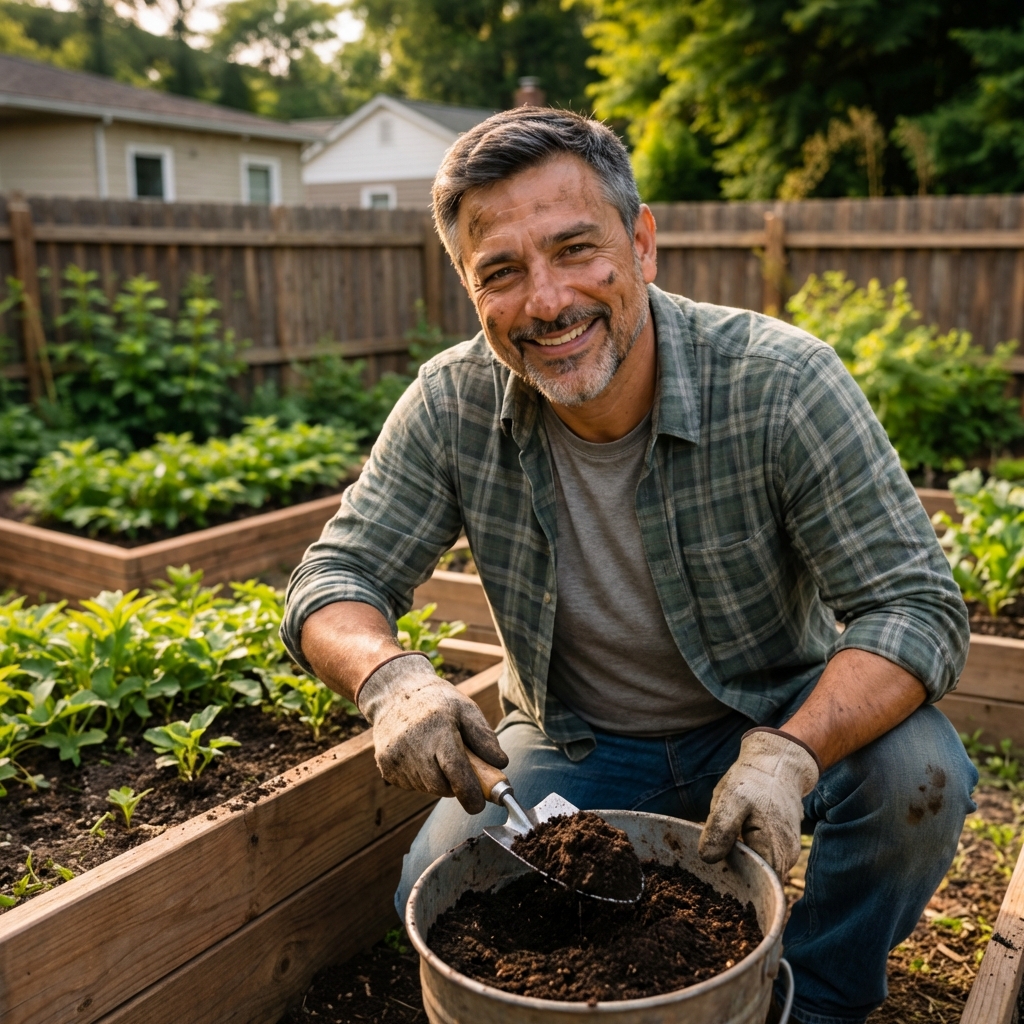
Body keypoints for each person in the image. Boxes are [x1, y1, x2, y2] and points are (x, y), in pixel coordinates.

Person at [282, 107, 977, 1024]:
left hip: (773, 716)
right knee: (436, 880)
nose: (546, 300)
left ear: (642, 244)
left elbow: (916, 605)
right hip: (581, 744)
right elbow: (334, 579)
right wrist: (392, 680)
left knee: (917, 776)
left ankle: (815, 998)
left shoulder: (779, 384)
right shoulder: (450, 406)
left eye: (576, 249)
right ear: (467, 286)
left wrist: (791, 755)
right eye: (501, 271)